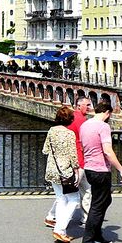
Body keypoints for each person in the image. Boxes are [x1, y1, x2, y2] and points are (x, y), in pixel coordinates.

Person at [80, 101, 122, 243]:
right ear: (107, 113)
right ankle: (88, 240)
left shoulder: (85, 125)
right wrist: (121, 169)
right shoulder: (103, 127)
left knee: (105, 200)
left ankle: (97, 234)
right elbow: (107, 151)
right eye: (110, 115)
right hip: (100, 170)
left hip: (89, 168)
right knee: (98, 205)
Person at [45, 96, 91, 227]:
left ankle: (52, 216)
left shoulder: (57, 128)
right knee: (84, 191)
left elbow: (46, 149)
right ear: (79, 106)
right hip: (78, 159)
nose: (89, 108)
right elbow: (83, 141)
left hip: (61, 162)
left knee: (64, 193)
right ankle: (83, 219)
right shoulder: (81, 120)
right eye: (87, 105)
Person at [41, 106, 80, 243]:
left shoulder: (51, 131)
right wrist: (76, 170)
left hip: (52, 169)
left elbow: (45, 150)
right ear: (70, 119)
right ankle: (60, 229)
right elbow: (73, 155)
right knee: (74, 199)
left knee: (61, 199)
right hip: (65, 171)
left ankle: (58, 227)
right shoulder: (70, 134)